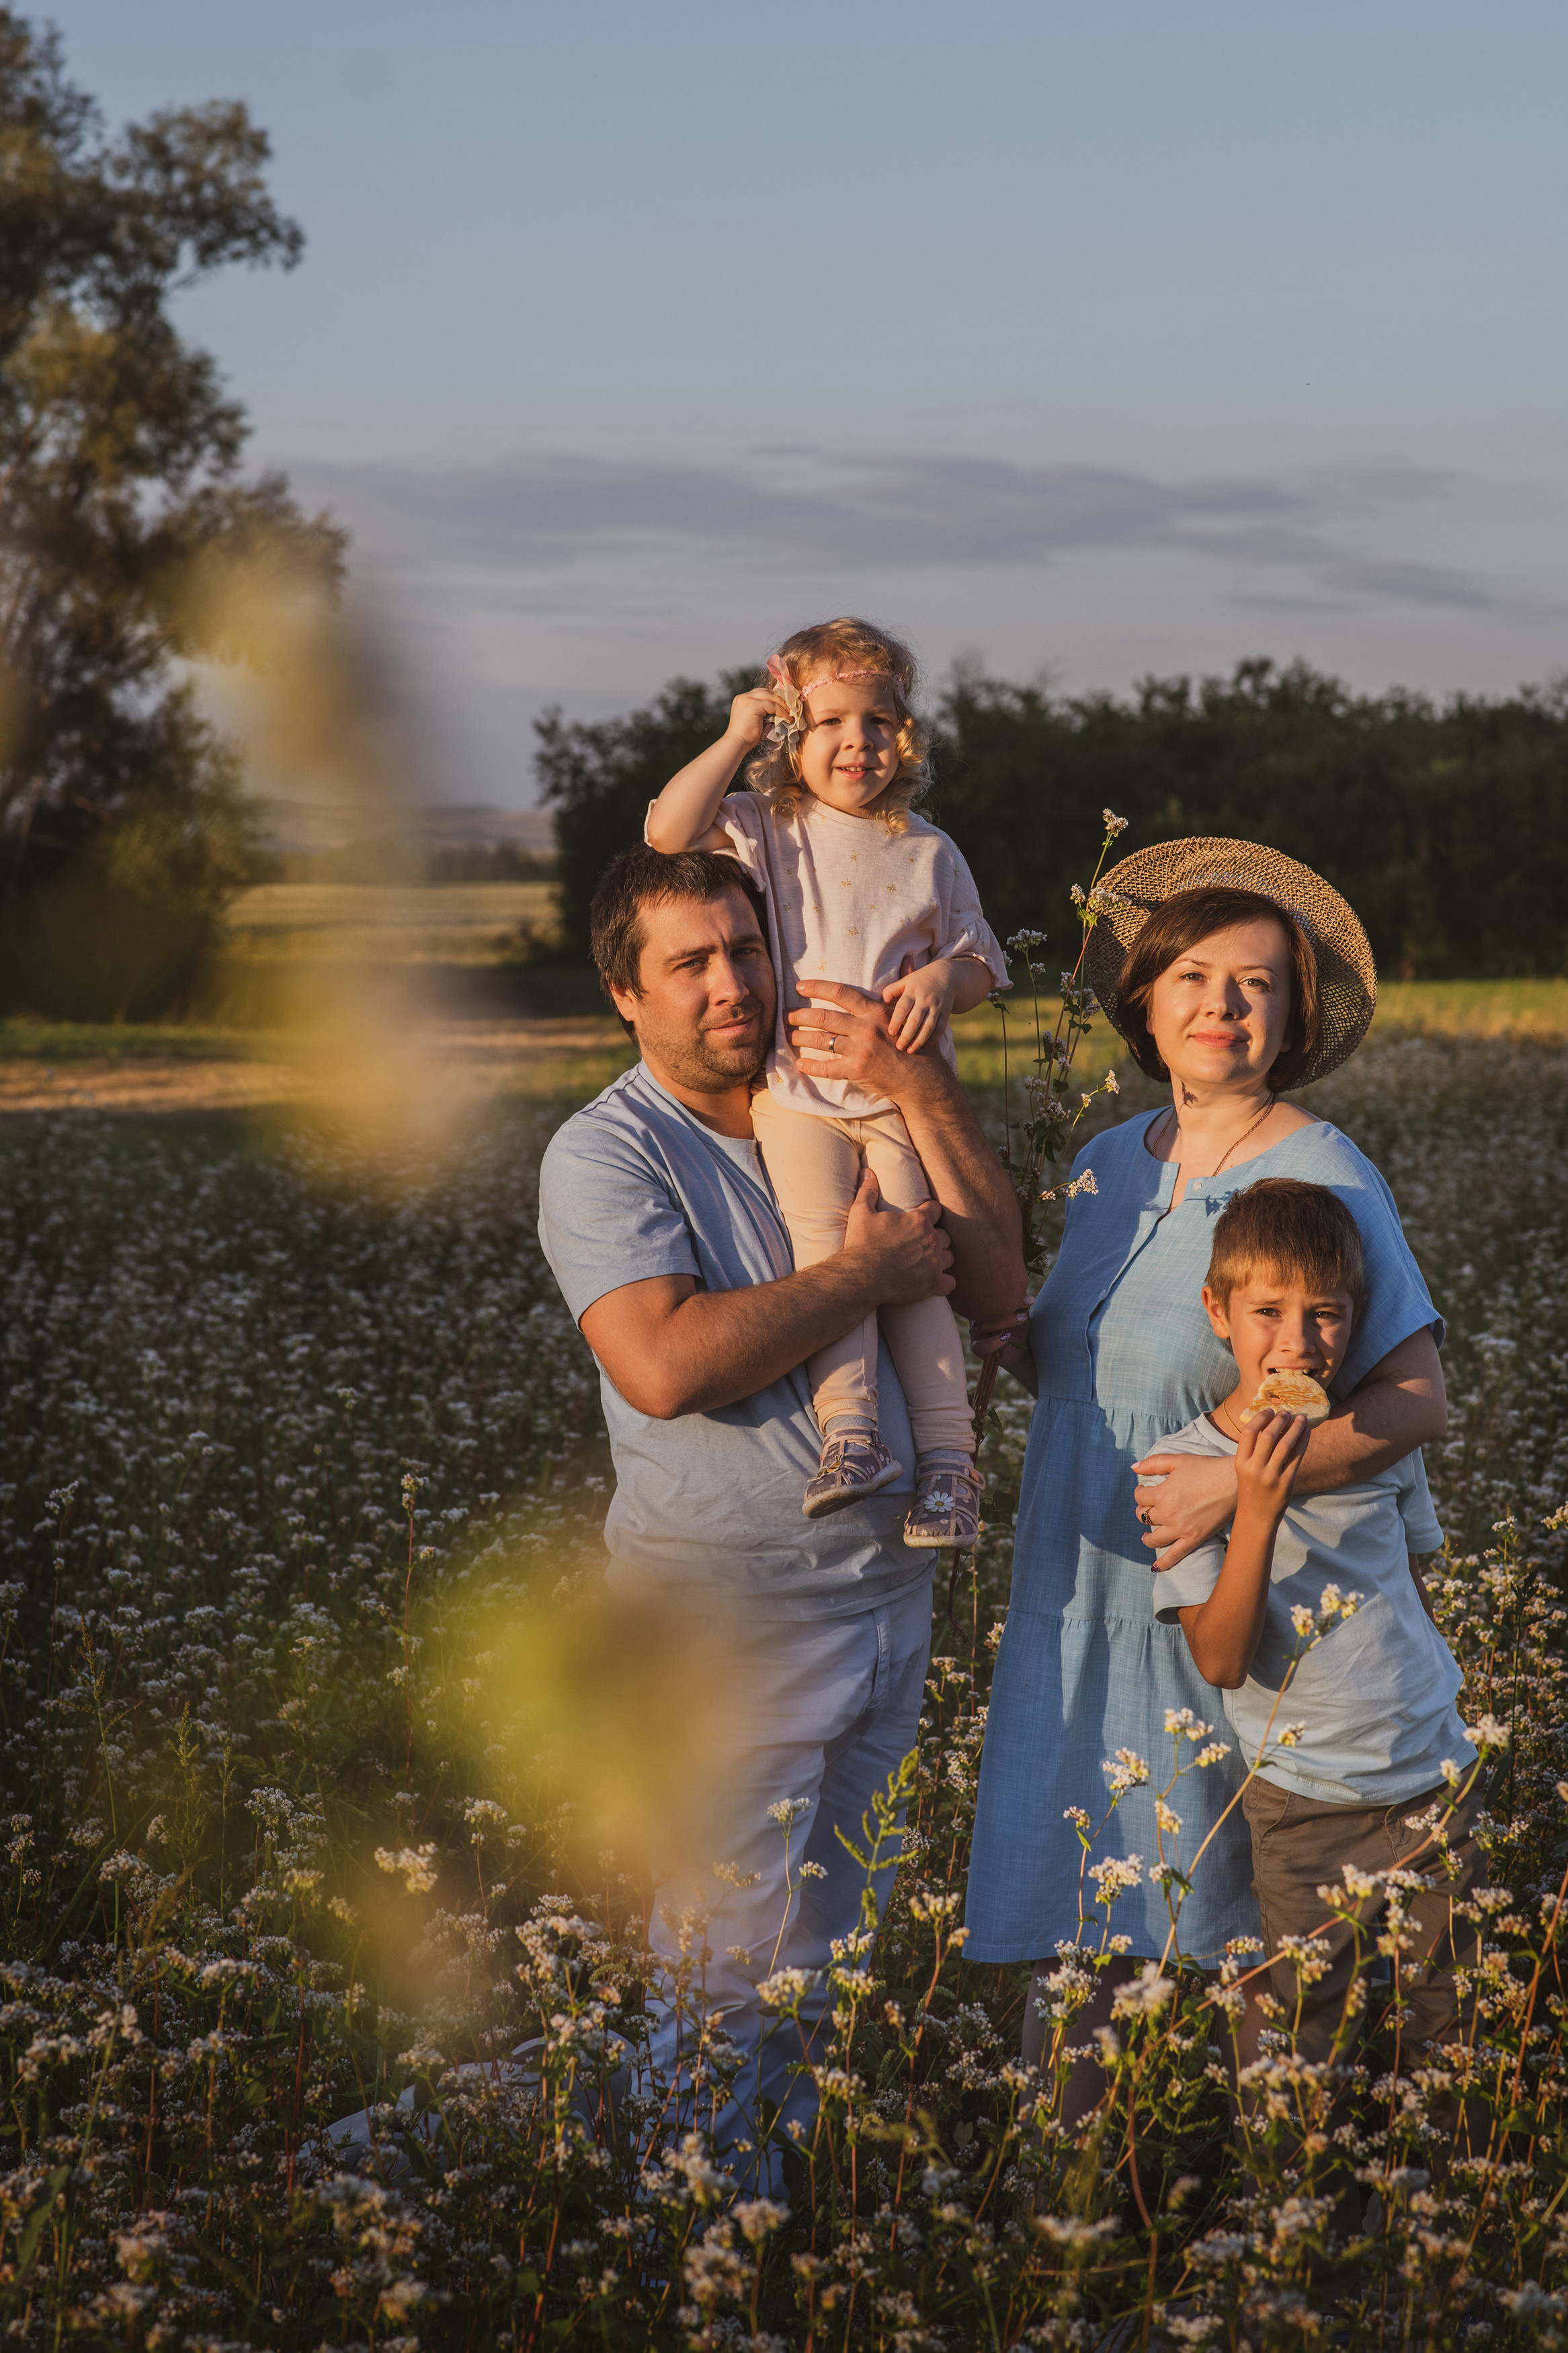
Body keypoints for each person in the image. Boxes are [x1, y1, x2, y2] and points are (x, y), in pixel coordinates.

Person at [536, 843, 1024, 2189]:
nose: (730, 983)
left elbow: (996, 1284)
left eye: (745, 949)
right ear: (626, 995)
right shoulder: (607, 1150)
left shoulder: (842, 1095)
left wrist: (919, 1086)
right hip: (720, 1618)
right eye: (687, 962)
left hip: (884, 1594)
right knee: (721, 1959)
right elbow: (667, 1362)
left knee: (826, 1951)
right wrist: (860, 1270)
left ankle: (777, 2216)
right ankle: (687, 2227)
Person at [962, 839, 1446, 2119]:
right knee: (1087, 1888)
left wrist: (1238, 1489)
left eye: (1255, 984)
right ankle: (1067, 2201)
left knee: (1231, 1912)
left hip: (1234, 1600)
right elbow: (1104, 1382)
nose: (1220, 1006)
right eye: (1192, 975)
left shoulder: (1320, 1174)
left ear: (1290, 1020)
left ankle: (1261, 2205)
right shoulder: (1110, 1161)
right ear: (1145, 999)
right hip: (1080, 1579)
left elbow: (1413, 1400)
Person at [646, 616, 1009, 1546]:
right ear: (791, 736)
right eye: (831, 723)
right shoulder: (763, 829)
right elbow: (664, 832)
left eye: (880, 722)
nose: (859, 743)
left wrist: (940, 979)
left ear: (907, 735)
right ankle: (851, 1438)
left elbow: (980, 963)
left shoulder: (929, 850)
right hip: (798, 1098)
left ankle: (949, 1468)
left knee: (919, 1282)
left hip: (897, 1104)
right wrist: (734, 734)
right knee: (834, 1270)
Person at [1153, 1176, 1481, 2077]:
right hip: (1302, 1800)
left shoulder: (1373, 1441)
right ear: (1217, 1313)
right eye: (1266, 1311)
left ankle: (1458, 2190)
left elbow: (1411, 1589)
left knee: (1461, 2019)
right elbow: (1218, 1659)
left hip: (1433, 1777)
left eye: (1325, 1314)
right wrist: (1252, 1506)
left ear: (1357, 1318)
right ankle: (1290, 2204)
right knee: (1302, 2031)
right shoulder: (1180, 1472)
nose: (1296, 1341)